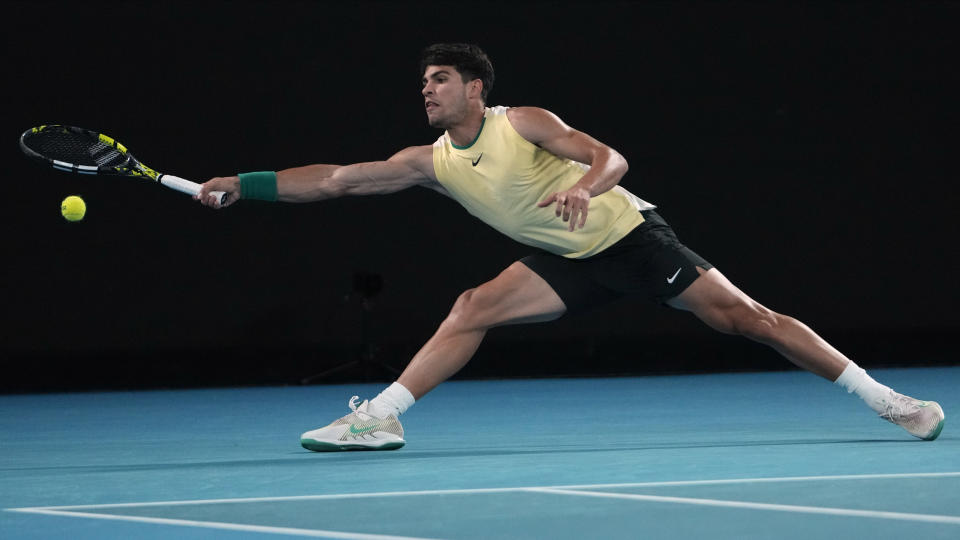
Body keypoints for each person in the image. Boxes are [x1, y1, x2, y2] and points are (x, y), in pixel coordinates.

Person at [197, 43, 944, 451]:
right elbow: (333, 181)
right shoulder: (431, 162)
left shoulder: (520, 121)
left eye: (441, 79)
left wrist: (587, 185)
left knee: (752, 320)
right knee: (472, 306)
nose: (427, 90)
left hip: (629, 238)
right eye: (423, 82)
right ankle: (381, 417)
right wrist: (245, 181)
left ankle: (885, 399)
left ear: (476, 89)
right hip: (565, 261)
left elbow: (611, 156)